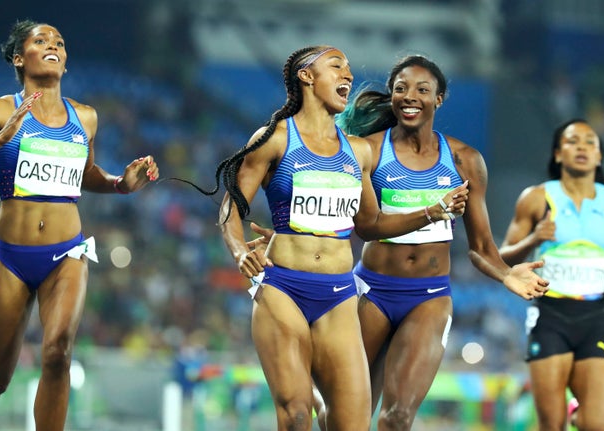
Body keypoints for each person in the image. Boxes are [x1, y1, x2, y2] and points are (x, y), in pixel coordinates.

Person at [207, 45, 483, 431]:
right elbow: (230, 207)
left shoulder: (357, 152)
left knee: (348, 423)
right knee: (297, 414)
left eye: (349, 69)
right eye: (336, 67)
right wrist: (238, 250)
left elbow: (370, 226)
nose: (348, 76)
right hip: (283, 288)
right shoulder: (274, 138)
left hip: (340, 295)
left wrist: (430, 213)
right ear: (306, 76)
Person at [0, 20, 159, 431]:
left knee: (58, 353)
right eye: (41, 41)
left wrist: (119, 183)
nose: (53, 46)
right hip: (9, 257)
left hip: (66, 253)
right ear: (18, 58)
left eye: (60, 43)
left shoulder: (85, 117)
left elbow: (84, 175)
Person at [328, 54, 550, 431]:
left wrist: (507, 274)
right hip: (371, 291)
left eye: (422, 90)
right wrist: (432, 211)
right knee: (342, 418)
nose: (409, 96)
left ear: (439, 99)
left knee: (397, 418)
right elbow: (367, 227)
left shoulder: (465, 161)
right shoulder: (368, 150)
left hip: (428, 296)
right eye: (401, 89)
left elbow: (481, 248)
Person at [498, 118, 604, 431]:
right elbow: (501, 257)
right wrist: (534, 240)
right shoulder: (536, 198)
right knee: (552, 425)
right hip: (550, 318)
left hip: (595, 318)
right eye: (573, 141)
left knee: (598, 424)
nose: (582, 148)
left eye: (590, 143)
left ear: (600, 156)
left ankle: (577, 412)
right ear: (558, 154)